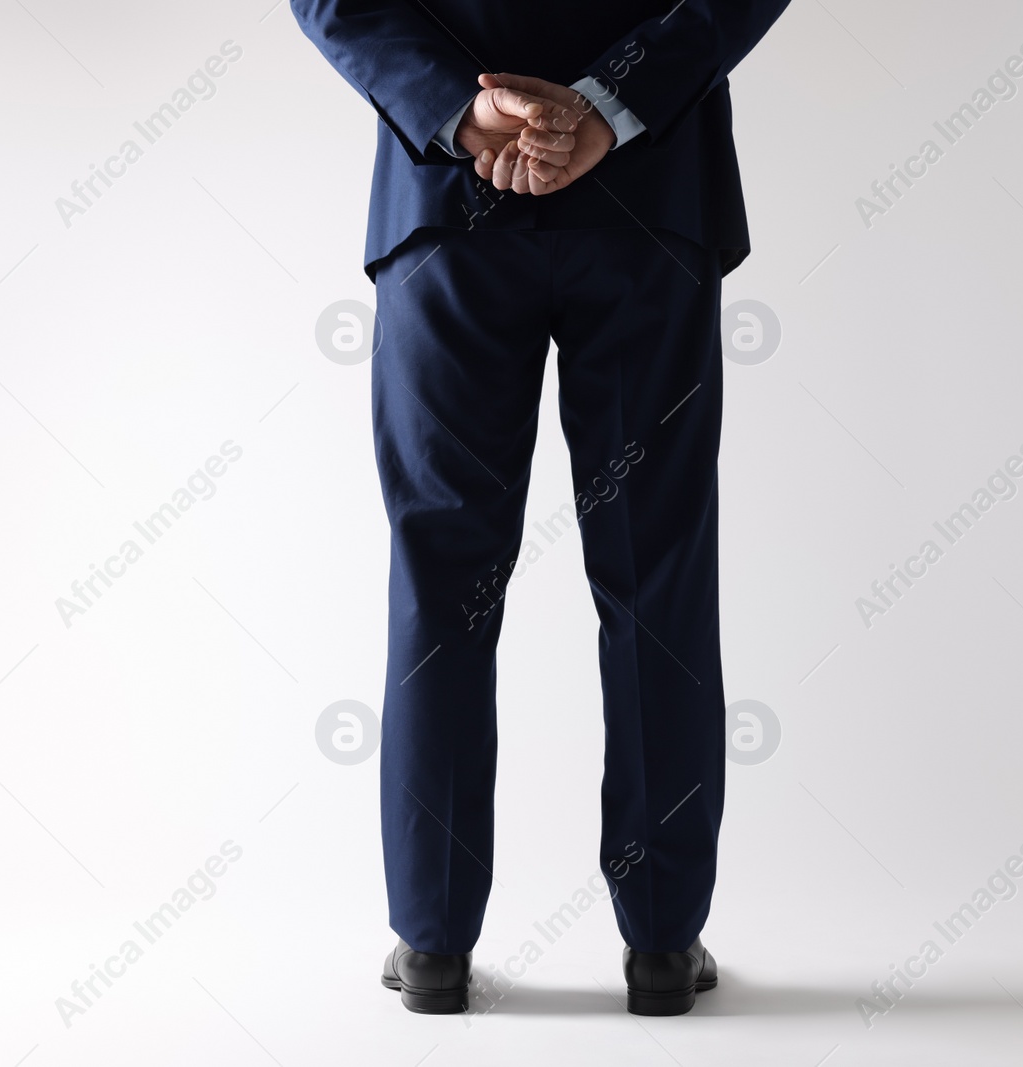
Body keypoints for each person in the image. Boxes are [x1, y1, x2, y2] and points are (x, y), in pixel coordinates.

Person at [291, 0, 791, 1016]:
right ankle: (660, 936)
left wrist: (460, 111)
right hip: (649, 208)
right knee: (657, 573)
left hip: (447, 208)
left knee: (442, 575)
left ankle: (431, 939)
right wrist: (609, 106)